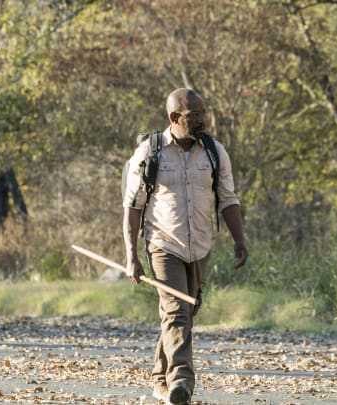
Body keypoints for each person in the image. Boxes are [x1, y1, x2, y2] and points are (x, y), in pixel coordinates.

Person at [122, 88, 248, 405]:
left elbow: (229, 198)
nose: (202, 119)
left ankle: (159, 377)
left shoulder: (214, 152)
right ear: (174, 117)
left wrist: (239, 240)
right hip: (163, 243)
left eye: (204, 113)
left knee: (186, 312)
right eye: (194, 115)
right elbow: (133, 206)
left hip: (201, 245)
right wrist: (131, 257)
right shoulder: (150, 153)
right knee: (177, 310)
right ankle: (181, 383)